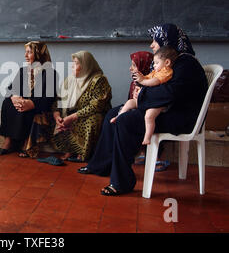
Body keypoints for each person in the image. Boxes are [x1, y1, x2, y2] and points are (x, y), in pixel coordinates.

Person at [77, 23, 208, 196]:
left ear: (167, 42)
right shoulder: (175, 62)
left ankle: (121, 182)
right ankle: (101, 165)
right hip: (165, 109)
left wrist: (142, 94)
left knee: (125, 120)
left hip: (180, 117)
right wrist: (143, 93)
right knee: (113, 113)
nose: (152, 45)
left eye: (155, 40)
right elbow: (158, 89)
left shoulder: (186, 64)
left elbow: (169, 93)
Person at [0, 41, 57, 157]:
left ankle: (25, 142)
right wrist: (15, 97)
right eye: (25, 52)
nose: (25, 55)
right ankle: (8, 141)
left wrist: (31, 103)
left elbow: (48, 98)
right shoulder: (23, 71)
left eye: (29, 52)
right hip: (23, 102)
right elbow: (12, 89)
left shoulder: (49, 73)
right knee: (7, 103)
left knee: (26, 108)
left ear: (39, 54)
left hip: (38, 105)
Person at [51, 51, 112, 162]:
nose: (73, 66)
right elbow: (58, 101)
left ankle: (83, 152)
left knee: (93, 120)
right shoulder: (69, 80)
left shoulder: (98, 80)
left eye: (76, 63)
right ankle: (70, 149)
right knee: (51, 119)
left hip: (89, 114)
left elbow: (96, 106)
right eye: (73, 62)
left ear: (86, 65)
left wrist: (72, 117)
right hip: (72, 114)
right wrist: (57, 116)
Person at [111, 46, 179, 145]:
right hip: (148, 100)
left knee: (149, 116)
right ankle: (119, 116)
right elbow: (148, 77)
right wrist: (141, 77)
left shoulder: (166, 72)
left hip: (158, 103)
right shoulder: (156, 71)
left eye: (156, 63)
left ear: (167, 63)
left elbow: (155, 81)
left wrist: (142, 81)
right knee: (129, 102)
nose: (154, 65)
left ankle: (147, 137)